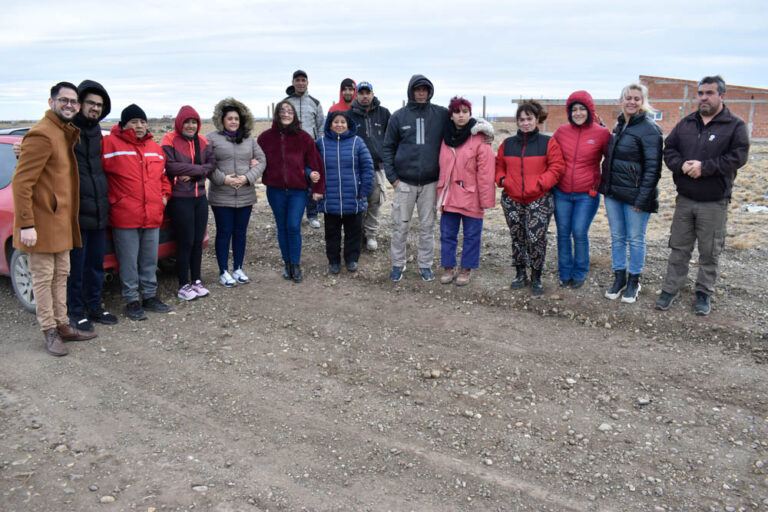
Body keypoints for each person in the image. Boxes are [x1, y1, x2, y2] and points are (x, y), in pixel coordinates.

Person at [12, 82, 97, 356]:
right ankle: (49, 330)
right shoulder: (42, 134)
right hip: (42, 224)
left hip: (60, 222)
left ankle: (62, 325)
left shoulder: (63, 132)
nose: (70, 105)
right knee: (43, 278)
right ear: (52, 102)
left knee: (61, 275)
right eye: (64, 100)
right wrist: (26, 224)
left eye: (74, 101)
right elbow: (22, 184)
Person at [655, 75, 749, 315]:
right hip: (685, 200)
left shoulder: (734, 125)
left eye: (709, 93)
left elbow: (739, 156)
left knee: (709, 251)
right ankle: (670, 289)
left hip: (714, 203)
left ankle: (703, 293)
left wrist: (705, 167)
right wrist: (682, 166)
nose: (704, 97)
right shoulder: (686, 123)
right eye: (701, 93)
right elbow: (670, 150)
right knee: (679, 248)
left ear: (721, 96)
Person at [102, 104, 173, 320]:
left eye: (142, 122)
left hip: (151, 215)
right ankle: (132, 300)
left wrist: (163, 198)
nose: (139, 126)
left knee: (150, 260)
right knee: (128, 262)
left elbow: (163, 179)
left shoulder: (155, 147)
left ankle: (150, 296)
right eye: (134, 122)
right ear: (124, 124)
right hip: (124, 216)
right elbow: (98, 176)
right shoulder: (108, 144)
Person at [599, 83, 663, 303]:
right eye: (628, 98)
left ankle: (634, 280)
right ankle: (619, 278)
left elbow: (653, 168)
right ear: (621, 100)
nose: (632, 102)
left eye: (637, 98)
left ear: (643, 102)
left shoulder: (649, 129)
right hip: (614, 194)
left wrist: (642, 198)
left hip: (636, 197)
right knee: (617, 238)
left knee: (635, 239)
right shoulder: (619, 125)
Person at [382, 74, 449, 282]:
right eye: (417, 89)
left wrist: (483, 132)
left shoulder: (441, 114)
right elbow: (388, 148)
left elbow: (462, 124)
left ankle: (425, 265)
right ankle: (397, 264)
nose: (421, 93)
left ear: (430, 92)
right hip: (404, 183)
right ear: (411, 91)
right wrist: (393, 179)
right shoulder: (398, 116)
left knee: (427, 227)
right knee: (400, 226)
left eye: (425, 89)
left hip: (430, 183)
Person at [495, 100, 565, 296]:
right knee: (517, 237)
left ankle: (536, 276)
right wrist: (502, 179)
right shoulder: (507, 144)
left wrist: (541, 184)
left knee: (536, 238)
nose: (525, 123)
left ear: (536, 119)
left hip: (539, 199)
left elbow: (557, 167)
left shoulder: (548, 142)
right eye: (521, 119)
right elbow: (498, 165)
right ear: (517, 121)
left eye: (529, 119)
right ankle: (520, 274)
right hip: (512, 198)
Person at [67, 80, 119, 331]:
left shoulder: (99, 133)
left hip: (99, 211)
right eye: (90, 103)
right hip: (75, 214)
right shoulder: (67, 130)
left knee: (95, 265)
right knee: (75, 268)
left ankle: (95, 307)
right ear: (79, 103)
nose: (95, 108)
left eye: (99, 105)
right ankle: (75, 312)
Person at [257, 101, 324, 283]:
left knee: (293, 226)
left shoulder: (304, 138)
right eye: (282, 111)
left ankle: (295, 264)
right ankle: (286, 263)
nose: (286, 114)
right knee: (282, 227)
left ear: (294, 115)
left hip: (298, 191)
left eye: (289, 111)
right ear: (277, 114)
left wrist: (315, 181)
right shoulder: (265, 138)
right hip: (275, 190)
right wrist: (253, 166)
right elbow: (257, 160)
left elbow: (314, 164)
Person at [552, 91, 611, 289]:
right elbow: (550, 156)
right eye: (574, 109)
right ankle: (565, 272)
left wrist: (602, 185)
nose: (578, 113)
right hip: (561, 192)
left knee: (579, 232)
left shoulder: (601, 134)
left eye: (581, 109)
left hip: (587, 194)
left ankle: (579, 272)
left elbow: (612, 160)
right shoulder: (561, 132)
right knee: (562, 232)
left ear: (590, 110)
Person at [207, 98, 267, 287]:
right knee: (224, 232)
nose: (233, 122)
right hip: (221, 195)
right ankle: (224, 271)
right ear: (222, 120)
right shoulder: (211, 138)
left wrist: (247, 177)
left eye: (236, 119)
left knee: (240, 232)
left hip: (245, 194)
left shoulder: (249, 138)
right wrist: (224, 179)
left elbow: (262, 160)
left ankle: (238, 268)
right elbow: (207, 164)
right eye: (229, 118)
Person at [437, 97, 495, 286]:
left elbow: (486, 173)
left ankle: (466, 268)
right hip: (449, 195)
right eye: (456, 112)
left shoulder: (480, 138)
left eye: (464, 111)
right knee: (447, 234)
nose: (461, 115)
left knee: (471, 236)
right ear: (451, 115)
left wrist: (485, 201)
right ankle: (449, 266)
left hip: (472, 197)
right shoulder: (445, 137)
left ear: (470, 114)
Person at [162, 105, 216, 300]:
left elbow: (210, 166)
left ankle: (197, 281)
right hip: (180, 198)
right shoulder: (169, 139)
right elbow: (170, 166)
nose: (191, 125)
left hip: (200, 197)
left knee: (196, 241)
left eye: (194, 122)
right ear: (180, 122)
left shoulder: (202, 140)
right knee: (184, 241)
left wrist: (192, 172)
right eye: (187, 122)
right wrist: (198, 169)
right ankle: (183, 284)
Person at [316, 111, 374, 274]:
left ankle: (351, 259)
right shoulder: (321, 143)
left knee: (353, 233)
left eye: (343, 122)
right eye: (336, 122)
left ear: (348, 125)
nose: (339, 125)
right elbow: (312, 165)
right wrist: (316, 188)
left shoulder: (357, 142)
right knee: (331, 234)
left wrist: (364, 190)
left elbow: (368, 168)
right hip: (330, 199)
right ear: (330, 124)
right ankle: (333, 261)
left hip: (353, 198)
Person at [348, 81, 391, 251]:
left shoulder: (384, 113)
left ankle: (371, 234)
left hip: (377, 166)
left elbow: (393, 137)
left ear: (372, 94)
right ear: (356, 95)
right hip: (355, 167)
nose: (365, 96)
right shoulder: (348, 115)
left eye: (368, 93)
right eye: (361, 93)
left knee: (376, 200)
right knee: (358, 201)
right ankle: (357, 235)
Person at [283, 70, 324, 229]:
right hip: (291, 150)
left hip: (311, 148)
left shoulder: (315, 102)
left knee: (312, 180)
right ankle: (295, 214)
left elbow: (320, 126)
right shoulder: (286, 102)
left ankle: (312, 215)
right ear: (293, 82)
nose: (300, 83)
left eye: (303, 80)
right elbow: (281, 124)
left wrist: (317, 144)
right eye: (297, 80)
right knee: (293, 181)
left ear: (307, 83)